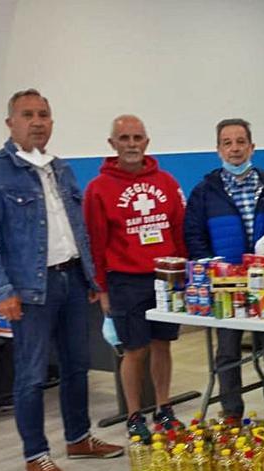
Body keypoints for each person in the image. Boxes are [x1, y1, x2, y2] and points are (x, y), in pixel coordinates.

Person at [0, 89, 123, 471]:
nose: (37, 121)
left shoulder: (61, 168)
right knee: (32, 374)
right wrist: (2, 290)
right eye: (27, 114)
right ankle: (36, 454)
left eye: (44, 114)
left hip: (70, 280)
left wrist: (88, 276)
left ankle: (78, 438)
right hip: (29, 288)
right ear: (10, 123)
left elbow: (78, 228)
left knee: (76, 366)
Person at [84, 115, 186, 441]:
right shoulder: (98, 189)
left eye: (137, 137)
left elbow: (179, 231)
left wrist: (185, 273)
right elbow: (95, 242)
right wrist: (100, 288)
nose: (131, 144)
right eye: (124, 138)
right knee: (135, 350)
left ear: (147, 142)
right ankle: (133, 415)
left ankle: (164, 409)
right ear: (112, 144)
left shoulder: (167, 182)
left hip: (165, 277)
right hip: (125, 281)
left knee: (162, 345)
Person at [184, 118, 264, 422]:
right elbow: (194, 234)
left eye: (241, 141)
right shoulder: (205, 191)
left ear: (252, 147)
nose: (235, 148)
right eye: (227, 142)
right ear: (218, 149)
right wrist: (211, 268)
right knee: (228, 352)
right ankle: (231, 410)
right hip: (225, 286)